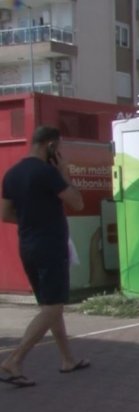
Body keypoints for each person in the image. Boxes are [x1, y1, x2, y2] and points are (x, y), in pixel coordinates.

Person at [1, 126, 90, 388]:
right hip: (50, 246)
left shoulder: (12, 174)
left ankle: (67, 359)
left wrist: (32, 221)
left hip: (27, 245)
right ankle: (15, 360)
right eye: (58, 147)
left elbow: (5, 214)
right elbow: (77, 202)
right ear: (51, 145)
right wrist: (65, 173)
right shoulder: (47, 173)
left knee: (50, 306)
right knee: (53, 306)